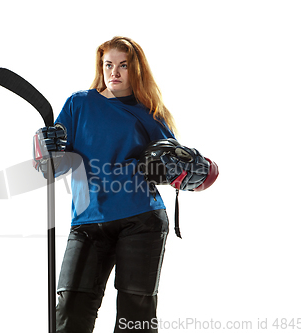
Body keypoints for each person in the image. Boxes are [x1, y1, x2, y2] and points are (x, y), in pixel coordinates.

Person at [33, 36, 215, 333]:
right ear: (100, 67)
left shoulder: (148, 113)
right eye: (108, 65)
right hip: (88, 221)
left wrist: (192, 168)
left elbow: (175, 167)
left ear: (136, 70)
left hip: (140, 219)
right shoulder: (79, 104)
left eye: (123, 65)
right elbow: (55, 165)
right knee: (69, 311)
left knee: (135, 319)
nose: (114, 72)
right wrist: (46, 153)